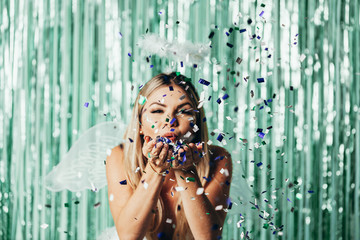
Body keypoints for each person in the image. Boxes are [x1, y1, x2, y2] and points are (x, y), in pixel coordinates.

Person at [105, 72, 233, 240]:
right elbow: (129, 237)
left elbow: (208, 237)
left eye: (184, 111)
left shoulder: (219, 158)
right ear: (140, 124)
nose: (170, 121)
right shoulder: (118, 156)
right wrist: (155, 168)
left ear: (196, 123)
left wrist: (185, 169)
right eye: (157, 110)